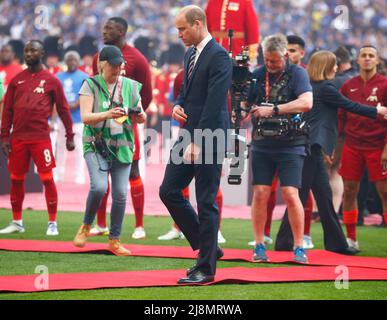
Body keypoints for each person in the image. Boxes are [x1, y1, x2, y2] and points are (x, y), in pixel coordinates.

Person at [275, 51, 387, 254]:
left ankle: (333, 243)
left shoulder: (310, 87)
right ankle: (286, 241)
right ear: (327, 67)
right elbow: (350, 106)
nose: (337, 68)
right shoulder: (326, 88)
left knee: (323, 197)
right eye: (334, 65)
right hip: (311, 146)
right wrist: (377, 111)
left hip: (310, 145)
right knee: (301, 195)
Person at [159, 5, 232, 284]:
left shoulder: (220, 56)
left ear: (198, 24)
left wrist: (198, 140)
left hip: (209, 136)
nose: (179, 34)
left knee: (206, 200)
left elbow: (215, 103)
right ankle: (209, 246)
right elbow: (186, 92)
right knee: (168, 190)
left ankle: (206, 268)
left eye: (182, 28)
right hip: (189, 132)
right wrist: (178, 105)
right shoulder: (190, 53)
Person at [73, 45, 146, 255]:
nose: (117, 68)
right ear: (102, 65)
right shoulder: (90, 84)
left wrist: (140, 116)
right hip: (95, 144)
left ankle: (114, 240)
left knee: (121, 193)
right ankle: (86, 225)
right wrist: (108, 114)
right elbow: (86, 117)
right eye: (113, 65)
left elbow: (141, 115)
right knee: (98, 187)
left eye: (120, 64)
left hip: (122, 147)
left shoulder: (131, 86)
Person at [246, 34, 313, 263]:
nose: (270, 65)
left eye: (274, 61)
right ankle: (259, 244)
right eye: (267, 60)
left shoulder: (298, 74)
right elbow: (246, 104)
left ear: (285, 55)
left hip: (291, 145)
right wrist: (245, 105)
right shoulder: (256, 74)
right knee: (261, 193)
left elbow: (306, 102)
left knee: (291, 194)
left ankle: (299, 246)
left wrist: (274, 109)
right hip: (262, 143)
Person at [0, 40, 75, 235]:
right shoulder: (17, 80)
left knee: (47, 179)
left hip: (41, 138)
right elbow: (7, 110)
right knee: (16, 179)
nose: (29, 53)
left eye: (33, 50)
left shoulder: (52, 80)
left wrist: (69, 134)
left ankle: (52, 223)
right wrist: (5, 137)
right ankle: (17, 221)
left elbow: (64, 109)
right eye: (26, 50)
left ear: (41, 53)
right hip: (18, 138)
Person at [91, 17, 153, 239]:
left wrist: (131, 117)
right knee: (102, 171)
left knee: (132, 171)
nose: (104, 30)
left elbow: (146, 95)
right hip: (103, 125)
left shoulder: (137, 59)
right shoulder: (98, 58)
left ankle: (139, 226)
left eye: (109, 28)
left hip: (126, 127)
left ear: (122, 31)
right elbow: (94, 88)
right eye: (104, 26)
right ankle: (100, 224)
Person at [339, 45, 387, 249]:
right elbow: (340, 121)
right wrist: (335, 150)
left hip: (378, 145)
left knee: (384, 191)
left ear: (377, 61)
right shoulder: (348, 86)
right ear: (357, 60)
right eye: (363, 55)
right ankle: (351, 239)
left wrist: (386, 149)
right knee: (349, 190)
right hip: (352, 145)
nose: (367, 59)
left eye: (371, 56)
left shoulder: (385, 85)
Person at [54, 51, 89, 184]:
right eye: (69, 59)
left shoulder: (84, 77)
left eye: (74, 59)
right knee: (60, 147)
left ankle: (79, 175)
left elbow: (86, 95)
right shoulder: (58, 76)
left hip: (78, 118)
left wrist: (74, 104)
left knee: (80, 147)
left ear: (78, 61)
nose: (72, 62)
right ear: (65, 61)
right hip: (61, 118)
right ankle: (59, 173)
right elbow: (54, 95)